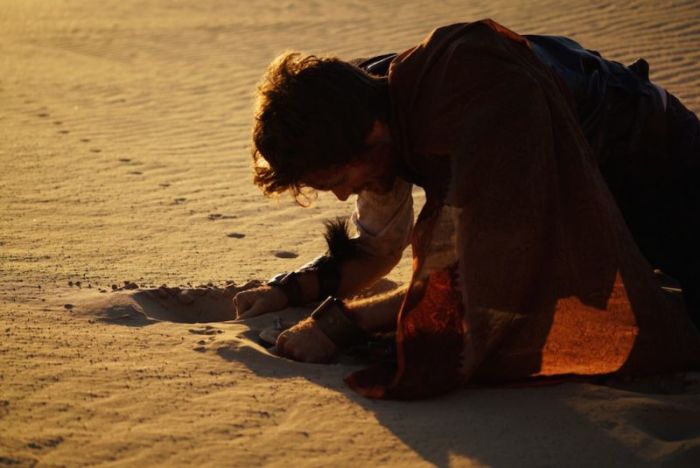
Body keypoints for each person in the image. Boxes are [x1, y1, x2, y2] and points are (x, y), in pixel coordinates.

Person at [235, 19, 700, 399]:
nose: (341, 195)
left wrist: (338, 325)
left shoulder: (471, 108)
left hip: (658, 166)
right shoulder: (365, 104)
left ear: (373, 136)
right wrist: (286, 291)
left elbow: (475, 273)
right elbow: (378, 248)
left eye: (337, 181)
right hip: (570, 181)